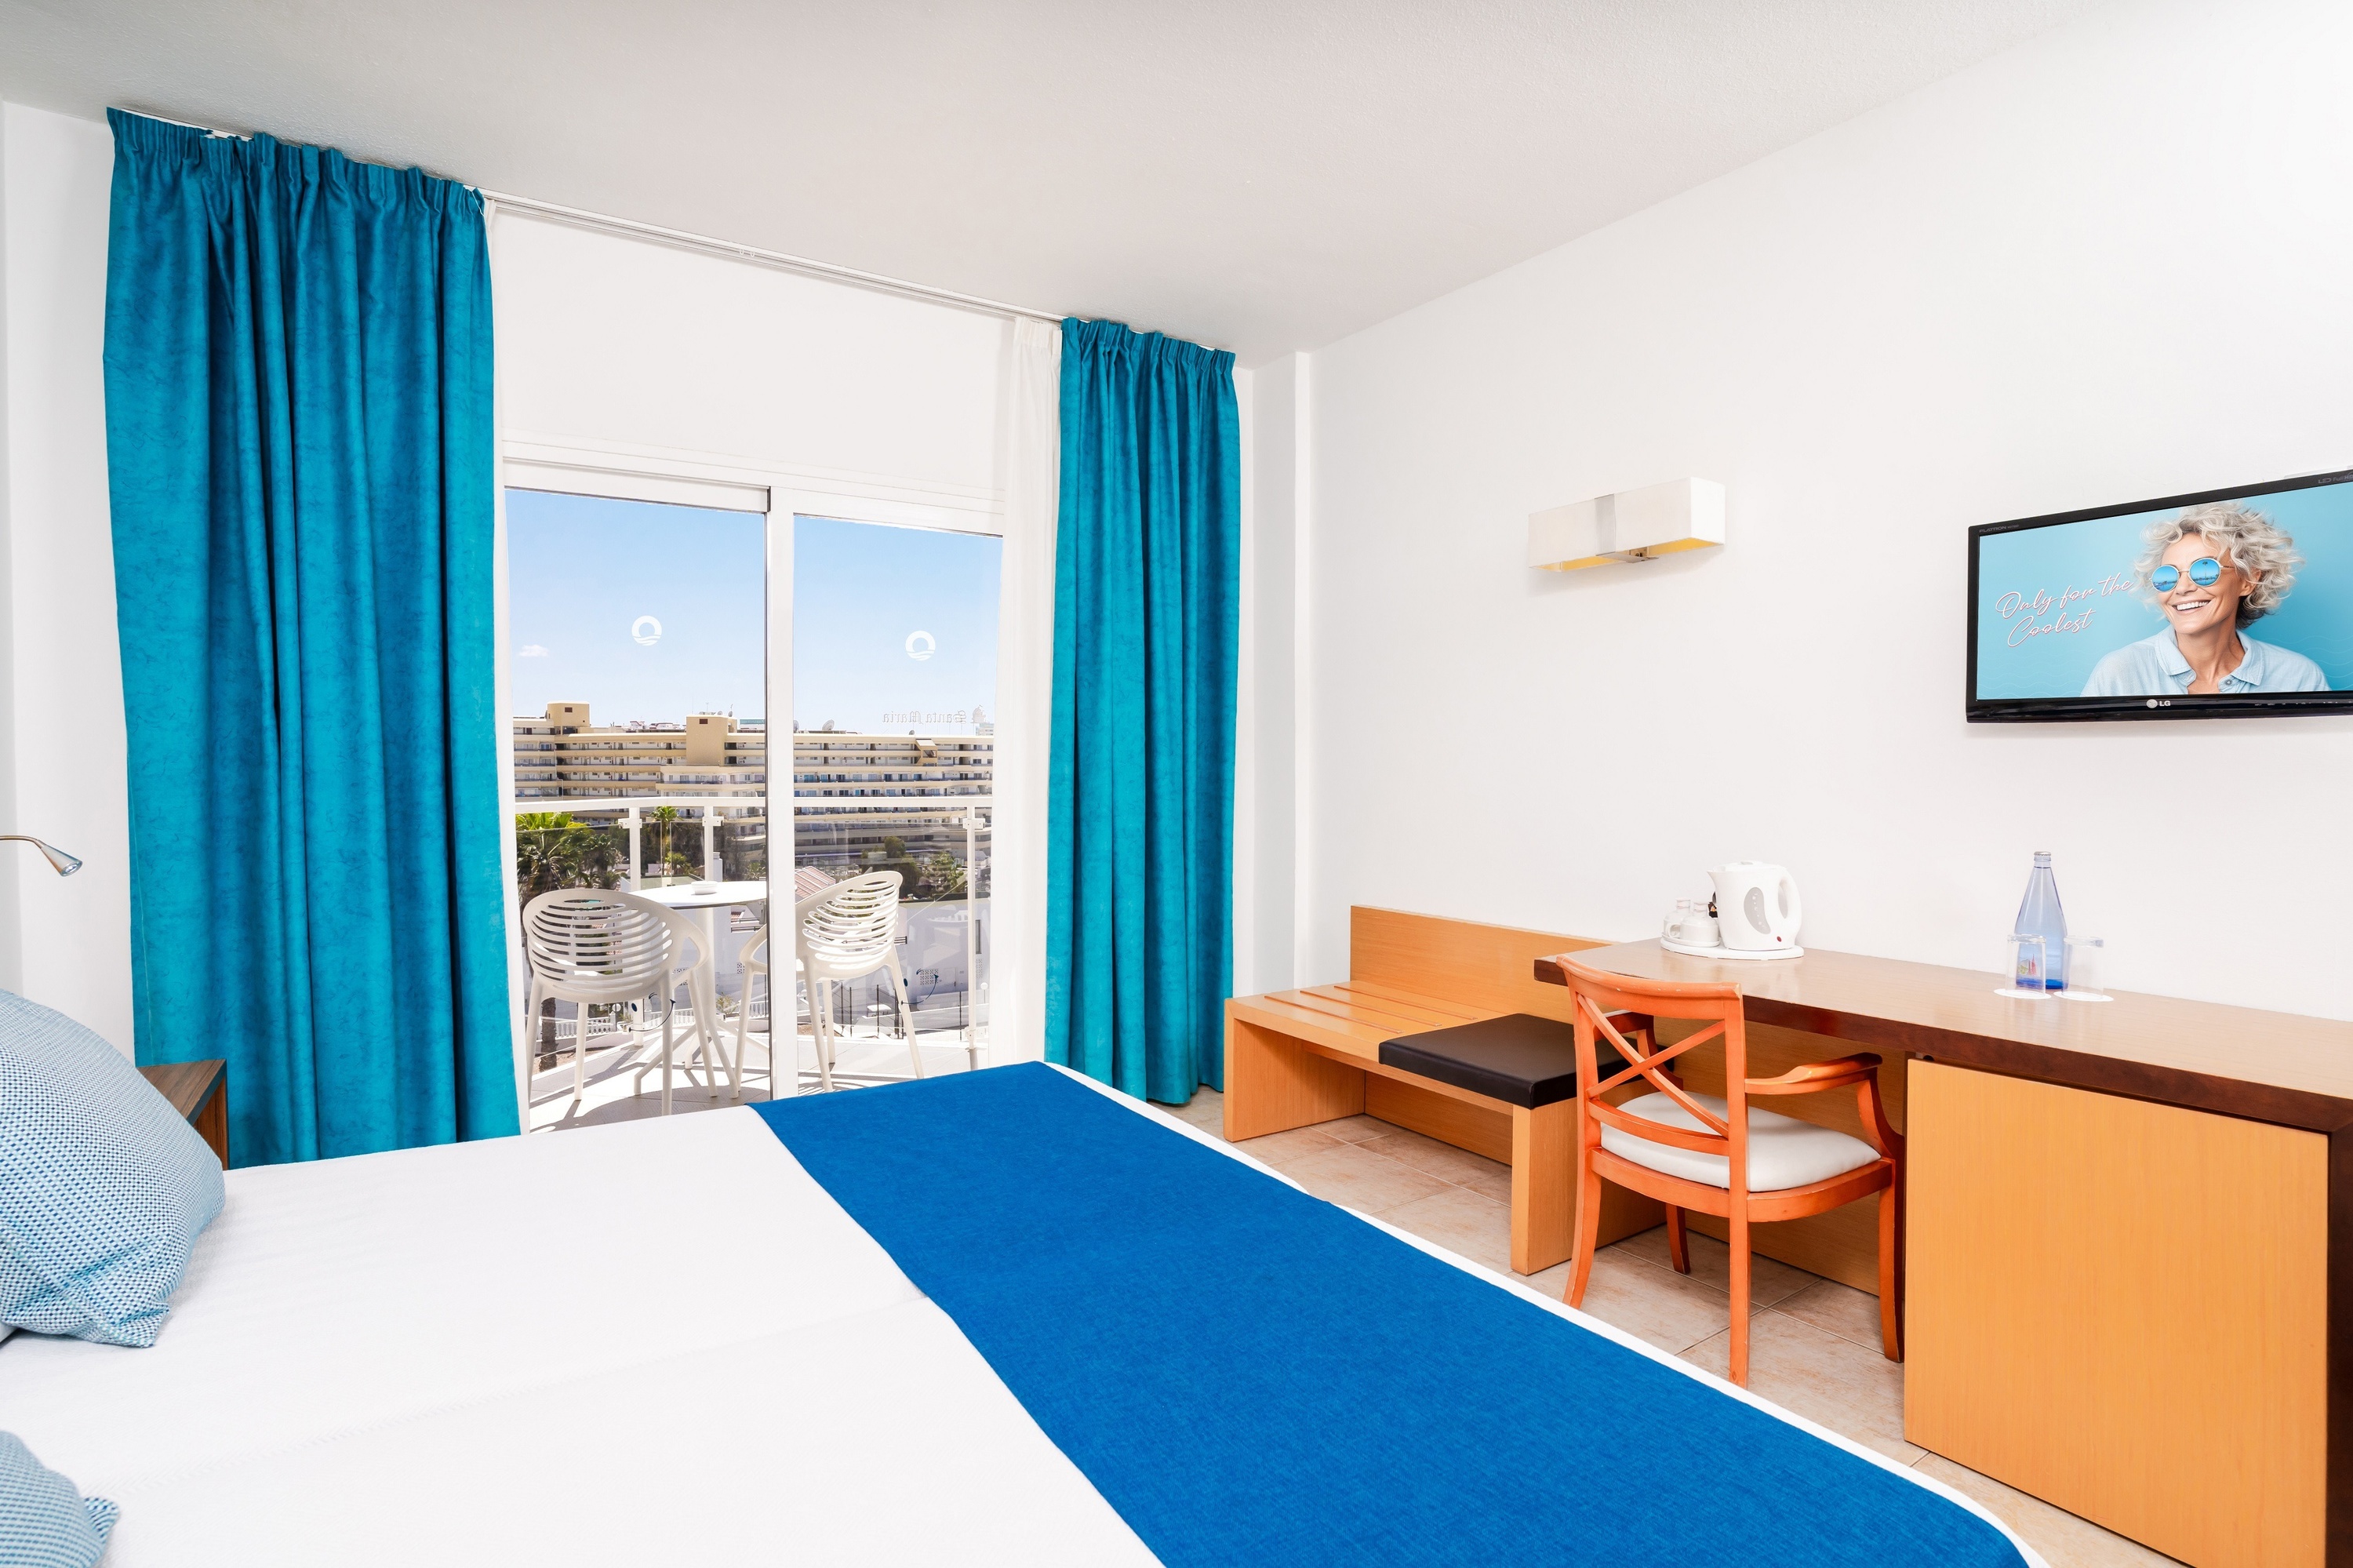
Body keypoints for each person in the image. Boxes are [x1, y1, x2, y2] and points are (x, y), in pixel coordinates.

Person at [2079, 500, 2328, 697]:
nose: (2183, 587)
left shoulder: (2298, 677)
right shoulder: (2120, 672)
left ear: (2248, 580)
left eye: (2205, 570)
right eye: (2168, 575)